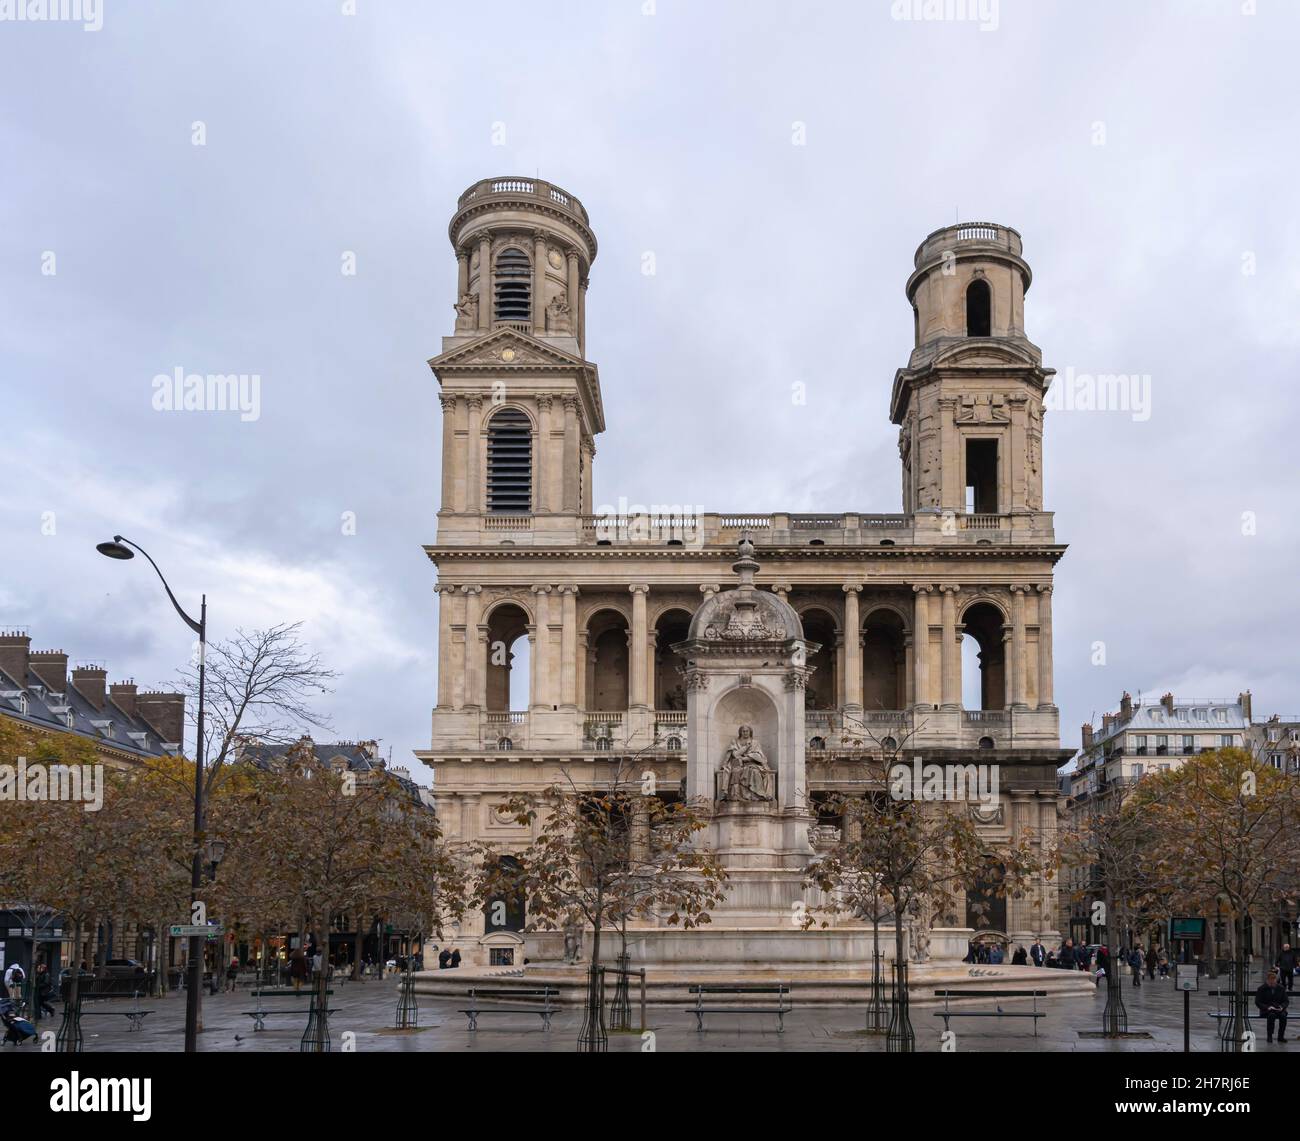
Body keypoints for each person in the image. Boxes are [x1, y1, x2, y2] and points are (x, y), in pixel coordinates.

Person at [1256, 967, 1289, 1043]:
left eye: (1274, 980)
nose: (1272, 982)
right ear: (1267, 980)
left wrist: (1281, 1007)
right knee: (1271, 1016)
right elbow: (1258, 1002)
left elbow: (1286, 1001)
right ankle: (1269, 1036)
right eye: (1270, 980)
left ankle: (1281, 1037)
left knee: (1283, 1016)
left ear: (1276, 980)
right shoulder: (1261, 989)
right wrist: (1267, 1007)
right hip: (1266, 1010)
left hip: (1278, 1009)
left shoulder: (1281, 988)